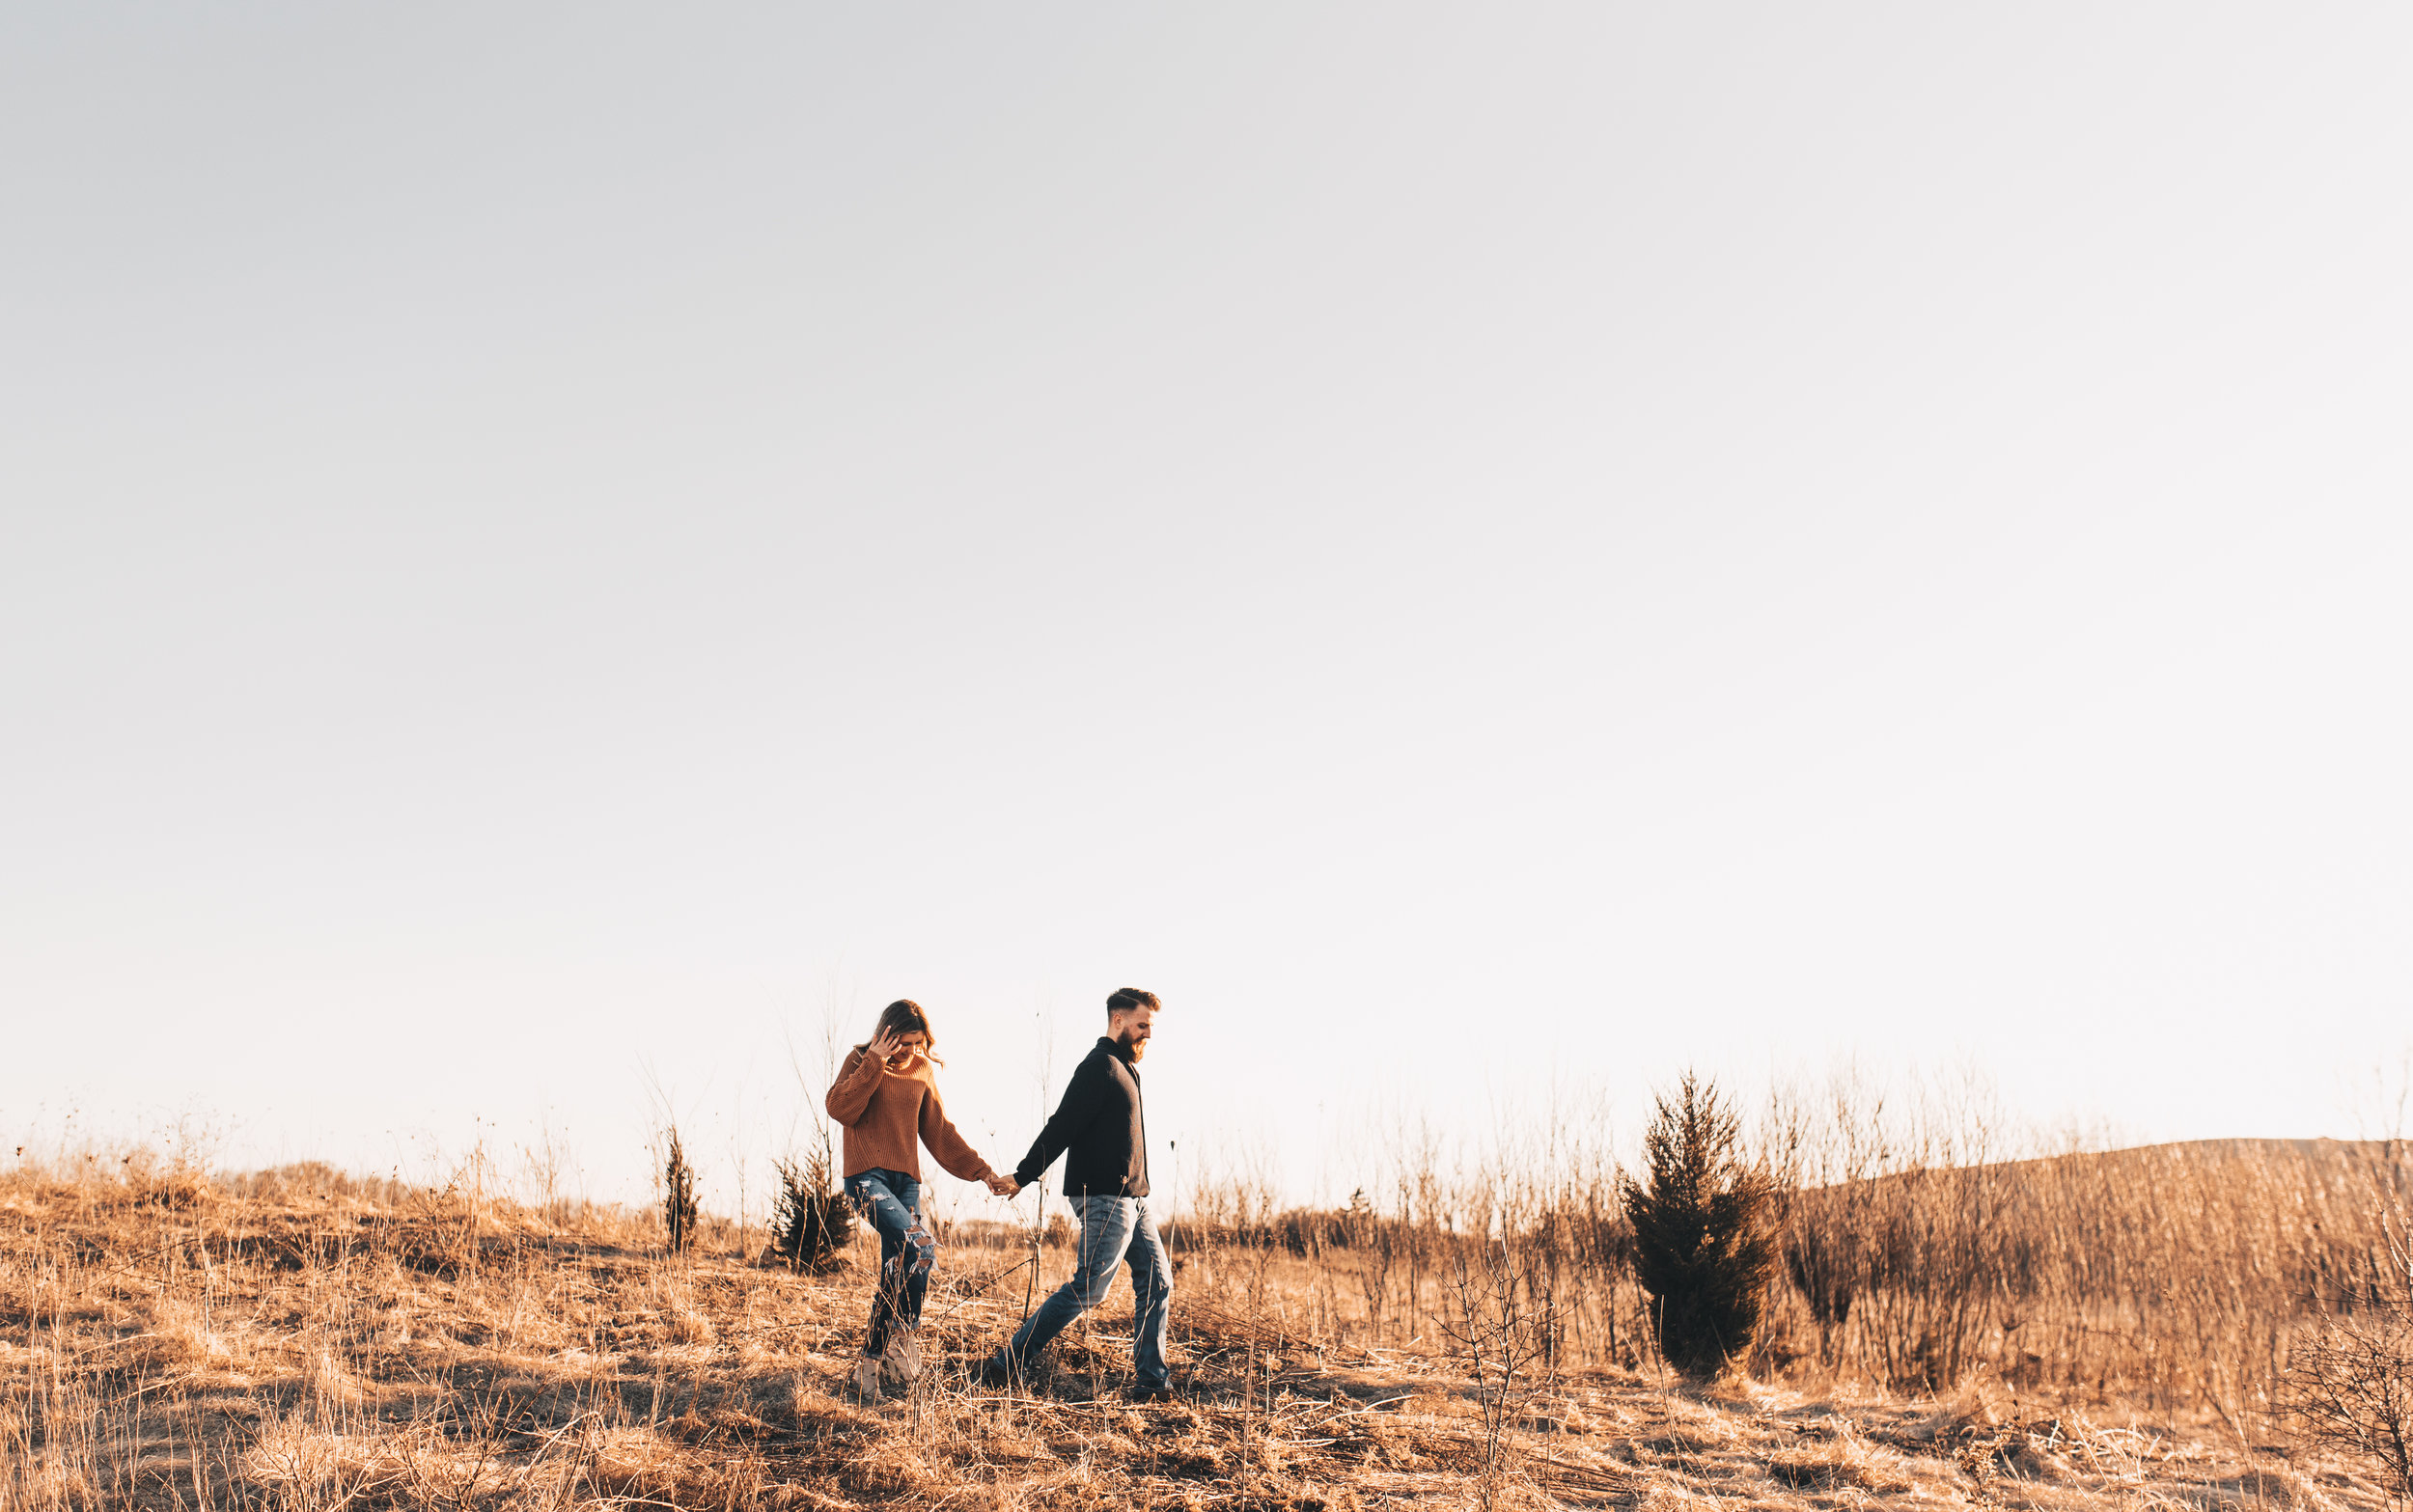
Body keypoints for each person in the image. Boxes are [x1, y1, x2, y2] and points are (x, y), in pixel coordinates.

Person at [981, 987, 1174, 1401]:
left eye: (1151, 1027)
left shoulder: (1125, 1067)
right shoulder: (1099, 1066)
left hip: (1134, 1201)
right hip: (1105, 1198)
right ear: (1118, 1020)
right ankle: (1007, 1364)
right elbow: (1062, 1125)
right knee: (1088, 1289)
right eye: (1142, 1025)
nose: (1148, 1035)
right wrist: (1024, 1175)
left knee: (1158, 1282)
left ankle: (1152, 1382)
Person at [824, 999, 1015, 1400]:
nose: (910, 1051)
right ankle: (905, 1337)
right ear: (885, 1034)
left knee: (903, 1265)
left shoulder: (922, 1070)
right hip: (865, 1179)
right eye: (903, 1043)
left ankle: (870, 1366)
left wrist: (982, 1171)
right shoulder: (860, 1061)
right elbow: (841, 1109)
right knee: (921, 1243)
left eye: (916, 1044)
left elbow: (939, 1131)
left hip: (906, 1183)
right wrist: (875, 1062)